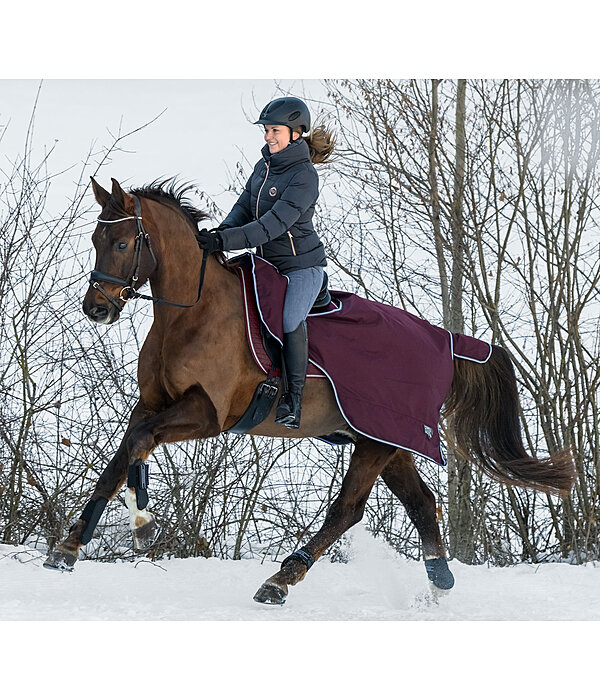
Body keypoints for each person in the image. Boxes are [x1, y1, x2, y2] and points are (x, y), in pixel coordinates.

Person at [196, 96, 335, 429]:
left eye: (274, 130)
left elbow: (271, 226)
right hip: (268, 267)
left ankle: (293, 401)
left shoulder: (304, 177)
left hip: (302, 269)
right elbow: (244, 206)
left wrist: (225, 242)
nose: (268, 137)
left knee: (288, 320)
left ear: (296, 134)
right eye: (266, 131)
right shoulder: (264, 166)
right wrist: (222, 232)